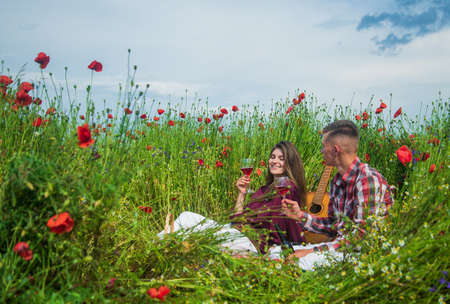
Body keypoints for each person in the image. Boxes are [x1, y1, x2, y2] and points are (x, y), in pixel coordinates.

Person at [277, 120, 394, 270]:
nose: (321, 151)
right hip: (341, 247)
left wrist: (311, 251)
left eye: (323, 146)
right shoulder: (336, 182)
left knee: (299, 262)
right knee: (277, 253)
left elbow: (362, 239)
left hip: (364, 254)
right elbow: (334, 226)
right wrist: (300, 216)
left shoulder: (367, 180)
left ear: (335, 150)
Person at [159, 141, 308, 255]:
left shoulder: (287, 188)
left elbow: (282, 227)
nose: (274, 161)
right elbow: (238, 219)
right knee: (186, 219)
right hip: (237, 234)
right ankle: (159, 249)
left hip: (251, 243)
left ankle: (154, 250)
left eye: (281, 158)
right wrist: (241, 193)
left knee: (186, 219)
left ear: (289, 163)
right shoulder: (264, 190)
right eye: (273, 157)